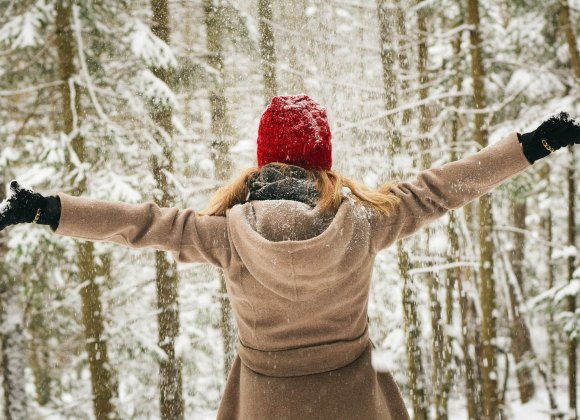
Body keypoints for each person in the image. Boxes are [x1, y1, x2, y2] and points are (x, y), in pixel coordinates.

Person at [1, 94, 579, 419]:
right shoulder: (365, 222)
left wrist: (46, 209)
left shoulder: (224, 234)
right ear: (322, 160)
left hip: (264, 404)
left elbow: (139, 225)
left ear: (261, 162)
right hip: (354, 403)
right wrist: (535, 144)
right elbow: (443, 188)